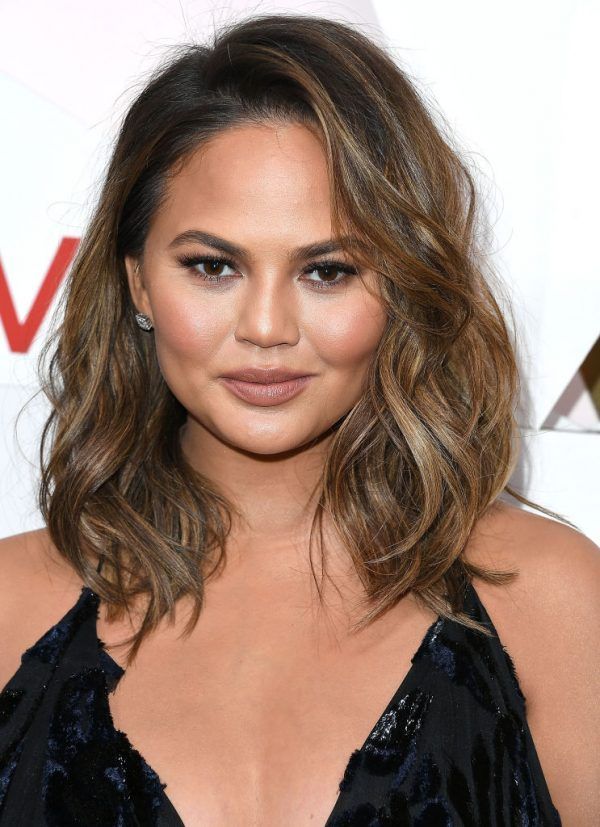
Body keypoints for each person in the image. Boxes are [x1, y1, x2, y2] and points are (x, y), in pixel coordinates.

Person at [0, 12, 598, 826]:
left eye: (327, 270)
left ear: (403, 286)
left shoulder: (550, 599)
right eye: (213, 266)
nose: (267, 327)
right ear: (137, 282)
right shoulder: (12, 605)